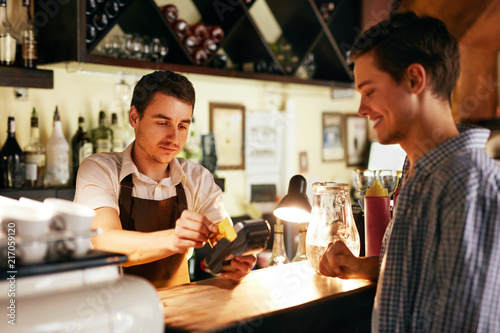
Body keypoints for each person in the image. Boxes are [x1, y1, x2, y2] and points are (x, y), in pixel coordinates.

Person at [319, 11, 500, 332]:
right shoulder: (418, 174)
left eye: (370, 90)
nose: (361, 108)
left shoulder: (469, 183)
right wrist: (361, 266)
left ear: (416, 79)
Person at [74, 71, 256, 288]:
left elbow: (225, 238)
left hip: (176, 311)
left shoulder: (198, 179)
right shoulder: (99, 169)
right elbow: (105, 241)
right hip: (110, 311)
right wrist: (174, 239)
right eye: (163, 123)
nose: (174, 138)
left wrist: (234, 262)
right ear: (134, 117)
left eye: (182, 126)